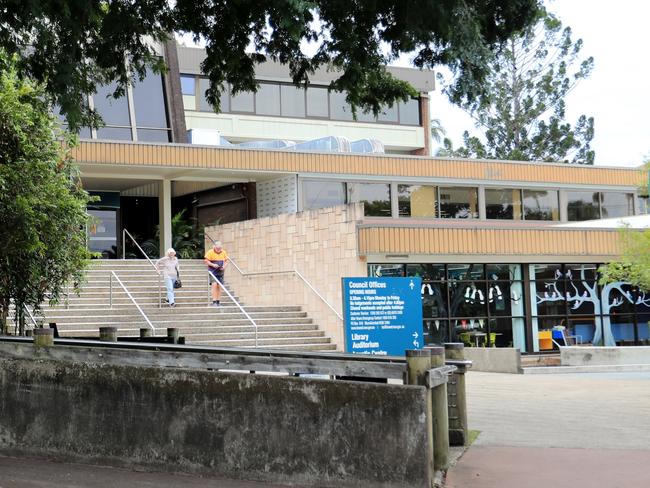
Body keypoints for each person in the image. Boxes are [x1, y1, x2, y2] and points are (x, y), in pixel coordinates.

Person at [204, 241, 228, 307]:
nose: (218, 249)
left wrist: (224, 267)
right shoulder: (210, 252)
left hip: (220, 271)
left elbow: (226, 261)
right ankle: (214, 301)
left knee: (220, 286)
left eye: (220, 248)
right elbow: (206, 261)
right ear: (214, 247)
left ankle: (218, 301)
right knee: (214, 285)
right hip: (212, 271)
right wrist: (213, 264)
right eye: (217, 248)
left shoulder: (223, 252)